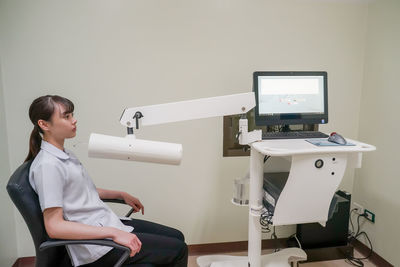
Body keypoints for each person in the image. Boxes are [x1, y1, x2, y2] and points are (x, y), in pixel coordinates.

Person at [26, 95, 188, 267]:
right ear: (44, 124)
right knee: (179, 249)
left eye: (72, 115)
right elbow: (55, 226)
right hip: (97, 247)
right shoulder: (48, 166)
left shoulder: (64, 154)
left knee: (177, 236)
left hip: (105, 223)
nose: (74, 120)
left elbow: (82, 192)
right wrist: (113, 233)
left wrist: (120, 194)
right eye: (66, 117)